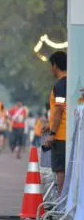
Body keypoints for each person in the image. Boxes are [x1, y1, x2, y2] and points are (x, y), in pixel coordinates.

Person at [44, 51, 67, 195]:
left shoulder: (59, 85)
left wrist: (52, 133)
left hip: (60, 135)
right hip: (68, 132)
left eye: (51, 66)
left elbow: (59, 108)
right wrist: (50, 124)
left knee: (60, 170)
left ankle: (61, 201)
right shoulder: (70, 82)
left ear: (55, 65)